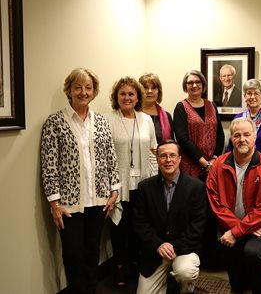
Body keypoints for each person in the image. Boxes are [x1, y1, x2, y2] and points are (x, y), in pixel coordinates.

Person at [40, 68, 121, 294]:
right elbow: (49, 165)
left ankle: (90, 290)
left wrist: (114, 191)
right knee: (73, 252)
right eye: (78, 87)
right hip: (68, 203)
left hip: (98, 200)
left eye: (88, 87)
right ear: (69, 90)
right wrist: (54, 204)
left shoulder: (102, 122)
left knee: (92, 251)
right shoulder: (55, 122)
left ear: (93, 91)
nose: (83, 92)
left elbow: (110, 157)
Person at [206, 117, 261, 293]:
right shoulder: (218, 165)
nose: (242, 139)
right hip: (230, 225)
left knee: (252, 252)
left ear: (255, 137)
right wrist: (239, 228)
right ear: (231, 138)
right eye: (237, 135)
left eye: (247, 134)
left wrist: (237, 231)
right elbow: (216, 204)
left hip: (259, 226)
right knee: (233, 259)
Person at [104, 76, 158, 287]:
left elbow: (154, 150)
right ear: (116, 97)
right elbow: (104, 157)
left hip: (143, 183)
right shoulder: (107, 120)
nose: (127, 97)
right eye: (123, 93)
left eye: (131, 94)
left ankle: (136, 265)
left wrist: (154, 180)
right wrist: (110, 185)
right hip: (120, 185)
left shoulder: (146, 120)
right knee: (119, 228)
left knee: (140, 227)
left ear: (138, 97)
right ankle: (119, 267)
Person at [133, 139, 207, 293]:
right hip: (155, 252)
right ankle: (168, 282)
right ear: (157, 159)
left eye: (172, 155)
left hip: (184, 249)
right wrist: (158, 244)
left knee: (185, 273)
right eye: (163, 156)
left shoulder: (196, 187)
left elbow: (198, 225)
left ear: (180, 159)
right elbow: (139, 223)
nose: (168, 160)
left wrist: (175, 246)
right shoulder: (145, 187)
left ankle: (185, 288)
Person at [173, 69, 225, 180]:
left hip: (213, 166)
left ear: (203, 84)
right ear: (185, 86)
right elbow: (182, 139)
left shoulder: (211, 105)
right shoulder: (181, 107)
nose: (194, 85)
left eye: (198, 82)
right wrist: (203, 162)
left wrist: (214, 159)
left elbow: (220, 134)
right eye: (190, 83)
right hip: (190, 166)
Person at [226, 78, 261, 166]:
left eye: (256, 93)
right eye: (249, 93)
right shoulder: (238, 118)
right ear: (245, 96)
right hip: (241, 164)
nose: (252, 97)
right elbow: (231, 144)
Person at [139, 73, 174, 145]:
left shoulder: (167, 116)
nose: (149, 91)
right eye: (145, 87)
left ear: (159, 91)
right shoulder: (132, 114)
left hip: (161, 155)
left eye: (153, 88)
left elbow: (171, 144)